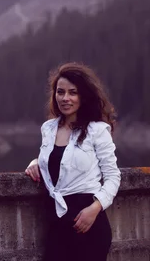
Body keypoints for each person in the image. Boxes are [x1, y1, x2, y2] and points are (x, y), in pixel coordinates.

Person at [25, 62, 121, 261]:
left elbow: (113, 177)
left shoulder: (97, 130)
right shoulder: (48, 129)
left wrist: (94, 209)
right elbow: (56, 160)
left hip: (88, 224)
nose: (65, 98)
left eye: (72, 92)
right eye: (60, 92)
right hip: (57, 224)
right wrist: (35, 162)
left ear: (83, 96)